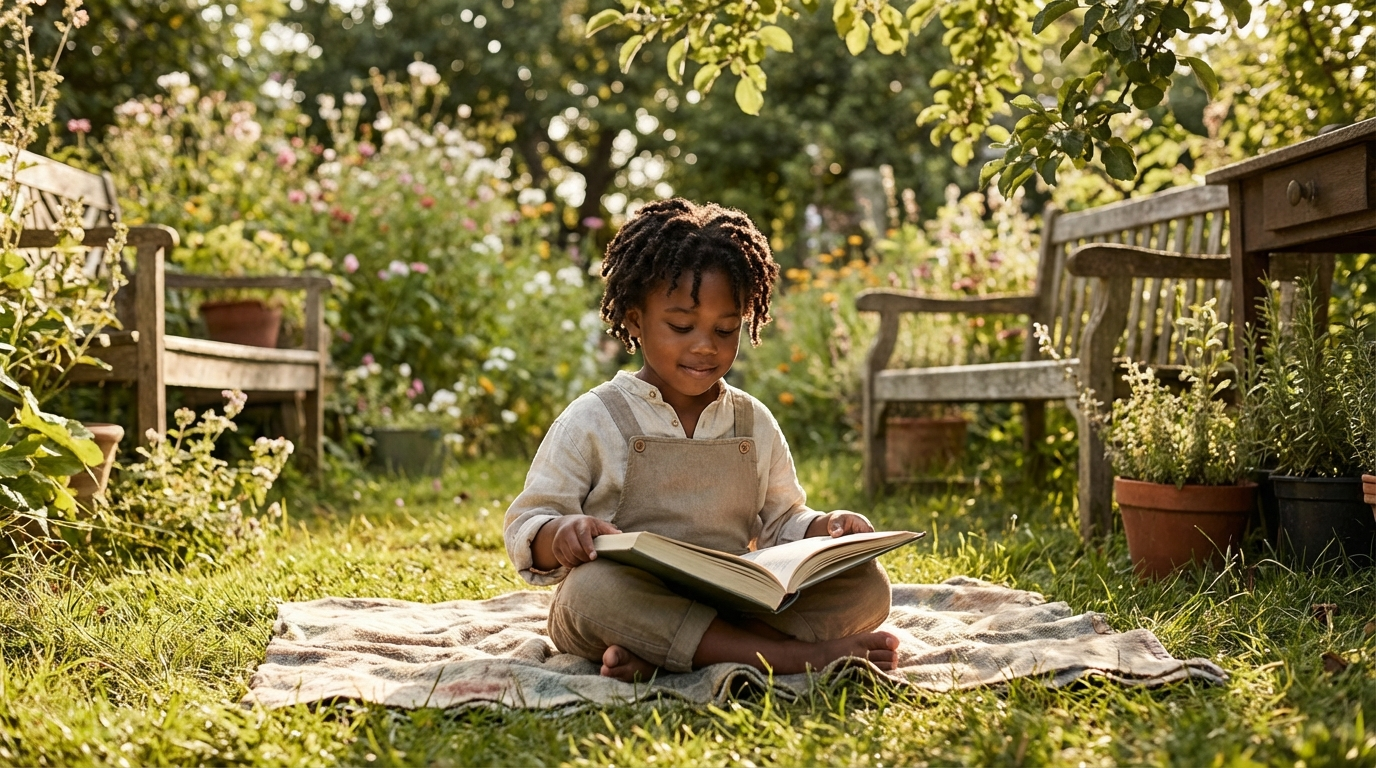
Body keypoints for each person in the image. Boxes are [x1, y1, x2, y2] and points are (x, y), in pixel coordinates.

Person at [503, 199, 898, 682]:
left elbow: (783, 521)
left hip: (736, 601)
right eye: (681, 326)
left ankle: (677, 655)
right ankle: (787, 656)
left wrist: (826, 528)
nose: (705, 345)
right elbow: (528, 522)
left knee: (868, 585)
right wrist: (559, 535)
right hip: (631, 598)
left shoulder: (753, 421)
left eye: (725, 329)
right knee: (591, 593)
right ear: (633, 320)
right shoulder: (594, 418)